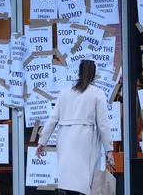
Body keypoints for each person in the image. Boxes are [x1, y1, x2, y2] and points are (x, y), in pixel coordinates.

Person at [36, 59, 114, 195]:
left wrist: (42, 142)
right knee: (85, 183)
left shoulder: (64, 93)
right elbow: (103, 124)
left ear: (79, 72)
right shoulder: (97, 93)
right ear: (93, 75)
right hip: (86, 141)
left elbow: (53, 119)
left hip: (65, 140)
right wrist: (109, 149)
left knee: (67, 181)